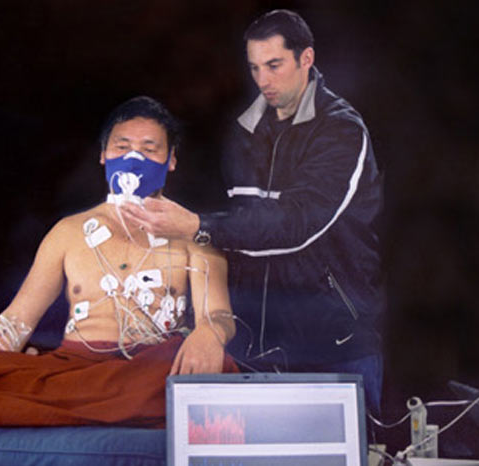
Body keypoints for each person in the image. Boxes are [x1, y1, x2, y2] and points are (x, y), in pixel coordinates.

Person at [0, 96, 237, 428]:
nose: (134, 158)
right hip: (76, 369)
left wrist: (210, 333)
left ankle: (90, 410)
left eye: (149, 149)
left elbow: (219, 314)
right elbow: (18, 318)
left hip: (147, 368)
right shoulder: (68, 233)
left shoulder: (196, 234)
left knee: (218, 367)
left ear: (171, 160)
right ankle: (108, 411)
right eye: (122, 147)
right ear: (103, 155)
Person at [121, 10, 384, 414]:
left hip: (335, 345)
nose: (263, 81)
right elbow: (231, 231)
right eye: (255, 67)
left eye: (274, 65)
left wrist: (195, 225)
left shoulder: (342, 131)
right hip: (255, 348)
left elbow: (296, 224)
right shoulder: (243, 132)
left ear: (306, 59)